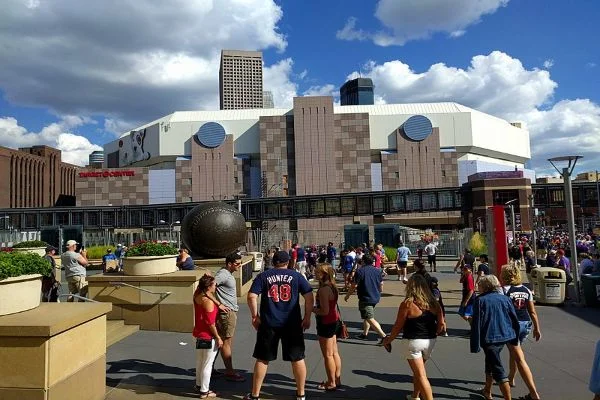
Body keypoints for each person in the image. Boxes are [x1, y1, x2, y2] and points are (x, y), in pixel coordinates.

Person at [244, 251, 314, 400]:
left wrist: (255, 316)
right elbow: (309, 295)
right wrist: (307, 316)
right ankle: (301, 394)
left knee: (263, 359)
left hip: (269, 322)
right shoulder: (296, 276)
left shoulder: (264, 276)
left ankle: (255, 394)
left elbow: (251, 296)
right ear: (288, 262)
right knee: (297, 358)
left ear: (274, 262)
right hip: (292, 322)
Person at [382, 274, 445, 400]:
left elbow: (397, 326)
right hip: (430, 341)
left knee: (421, 375)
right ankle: (415, 396)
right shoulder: (434, 303)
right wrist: (436, 333)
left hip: (413, 341)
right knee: (418, 372)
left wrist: (389, 339)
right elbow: (442, 323)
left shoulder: (407, 304)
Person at [470, 275, 520, 400]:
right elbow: (514, 319)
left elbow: (477, 323)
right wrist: (515, 336)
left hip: (490, 337)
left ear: (485, 287)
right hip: (505, 335)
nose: (478, 287)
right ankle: (487, 390)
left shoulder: (480, 300)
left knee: (498, 369)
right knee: (490, 362)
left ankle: (507, 398)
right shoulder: (504, 299)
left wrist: (475, 344)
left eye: (479, 285)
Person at [501, 264, 542, 400]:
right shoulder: (526, 290)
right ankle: (511, 377)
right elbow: (532, 311)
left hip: (512, 325)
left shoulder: (504, 290)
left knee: (519, 357)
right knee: (515, 352)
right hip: (525, 323)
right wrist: (537, 328)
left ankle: (533, 393)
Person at [212, 252, 246, 382]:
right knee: (226, 342)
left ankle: (211, 368)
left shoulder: (227, 274)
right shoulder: (223, 275)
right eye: (237, 263)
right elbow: (208, 288)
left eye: (240, 263)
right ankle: (230, 372)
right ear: (229, 264)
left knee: (219, 341)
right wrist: (219, 304)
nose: (240, 265)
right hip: (227, 313)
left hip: (229, 312)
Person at [312, 263, 342, 391]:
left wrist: (313, 309)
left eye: (317, 272)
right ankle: (337, 378)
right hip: (334, 321)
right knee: (334, 353)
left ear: (323, 274)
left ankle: (331, 382)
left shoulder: (324, 290)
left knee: (328, 355)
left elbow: (324, 310)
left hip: (326, 323)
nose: (315, 273)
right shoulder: (333, 286)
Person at [344, 253, 387, 343]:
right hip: (375, 297)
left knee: (369, 317)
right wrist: (379, 292)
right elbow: (381, 285)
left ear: (363, 261)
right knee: (367, 316)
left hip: (365, 297)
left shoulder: (360, 271)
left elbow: (353, 286)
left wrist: (347, 295)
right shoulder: (377, 271)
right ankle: (364, 333)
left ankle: (384, 336)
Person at [193, 274, 223, 399]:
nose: (216, 286)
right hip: (208, 336)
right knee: (208, 364)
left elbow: (203, 290)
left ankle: (198, 385)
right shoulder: (209, 303)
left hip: (199, 334)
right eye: (214, 285)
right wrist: (218, 337)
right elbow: (211, 323)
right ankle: (204, 391)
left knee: (200, 361)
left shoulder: (197, 296)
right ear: (209, 287)